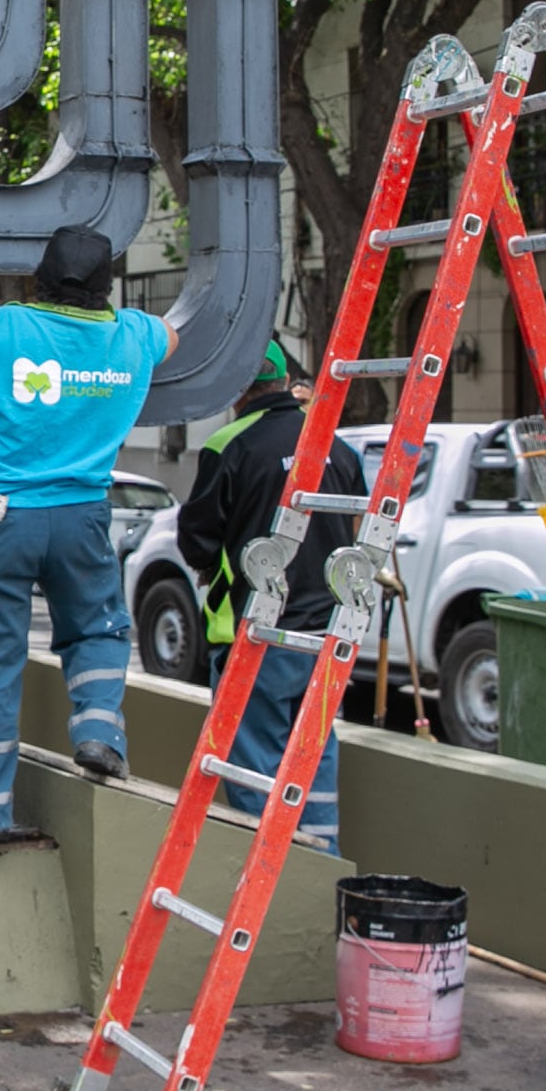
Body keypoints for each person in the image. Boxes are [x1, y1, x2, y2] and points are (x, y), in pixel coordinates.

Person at [0, 224, 172, 840]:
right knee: (99, 627)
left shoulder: (1, 327)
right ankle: (99, 730)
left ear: (39, 278)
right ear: (107, 287)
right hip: (81, 517)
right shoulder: (134, 335)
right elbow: (172, 335)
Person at [174, 338, 358, 851]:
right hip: (326, 635)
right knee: (315, 754)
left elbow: (197, 539)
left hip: (258, 634)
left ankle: (271, 877)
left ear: (239, 390)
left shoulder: (230, 444)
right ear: (282, 382)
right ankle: (322, 864)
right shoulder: (335, 448)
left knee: (251, 767)